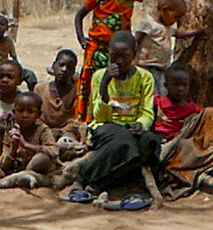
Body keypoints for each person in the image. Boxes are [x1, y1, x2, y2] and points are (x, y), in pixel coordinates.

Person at [60, 31, 160, 210]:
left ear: (134, 55)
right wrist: (105, 83)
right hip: (106, 127)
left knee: (150, 142)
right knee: (124, 141)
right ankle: (81, 177)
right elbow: (99, 116)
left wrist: (140, 124)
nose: (119, 61)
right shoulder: (100, 76)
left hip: (132, 127)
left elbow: (147, 112)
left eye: (125, 56)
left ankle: (101, 184)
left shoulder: (145, 78)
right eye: (114, 56)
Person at [75, 0, 187, 117]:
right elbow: (79, 15)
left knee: (119, 81)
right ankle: (89, 118)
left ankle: (120, 115)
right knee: (94, 81)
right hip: (98, 49)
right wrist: (81, 38)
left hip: (121, 50)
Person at [133, 0, 203, 95]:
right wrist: (133, 58)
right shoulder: (149, 24)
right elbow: (136, 40)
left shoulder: (167, 27)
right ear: (165, 10)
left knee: (162, 94)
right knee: (149, 92)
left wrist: (197, 31)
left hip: (163, 67)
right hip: (147, 66)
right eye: (175, 17)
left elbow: (179, 34)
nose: (175, 21)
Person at [35, 49, 85, 143]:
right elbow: (36, 117)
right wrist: (48, 132)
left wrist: (61, 131)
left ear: (73, 71)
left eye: (69, 67)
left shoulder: (77, 93)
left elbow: (76, 119)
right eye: (61, 65)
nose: (64, 70)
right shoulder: (40, 89)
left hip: (66, 133)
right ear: (54, 66)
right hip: (43, 132)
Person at [152, 64, 204, 140]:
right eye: (175, 85)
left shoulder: (194, 109)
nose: (180, 89)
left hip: (181, 140)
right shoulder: (159, 102)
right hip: (159, 139)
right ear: (166, 85)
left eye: (184, 85)